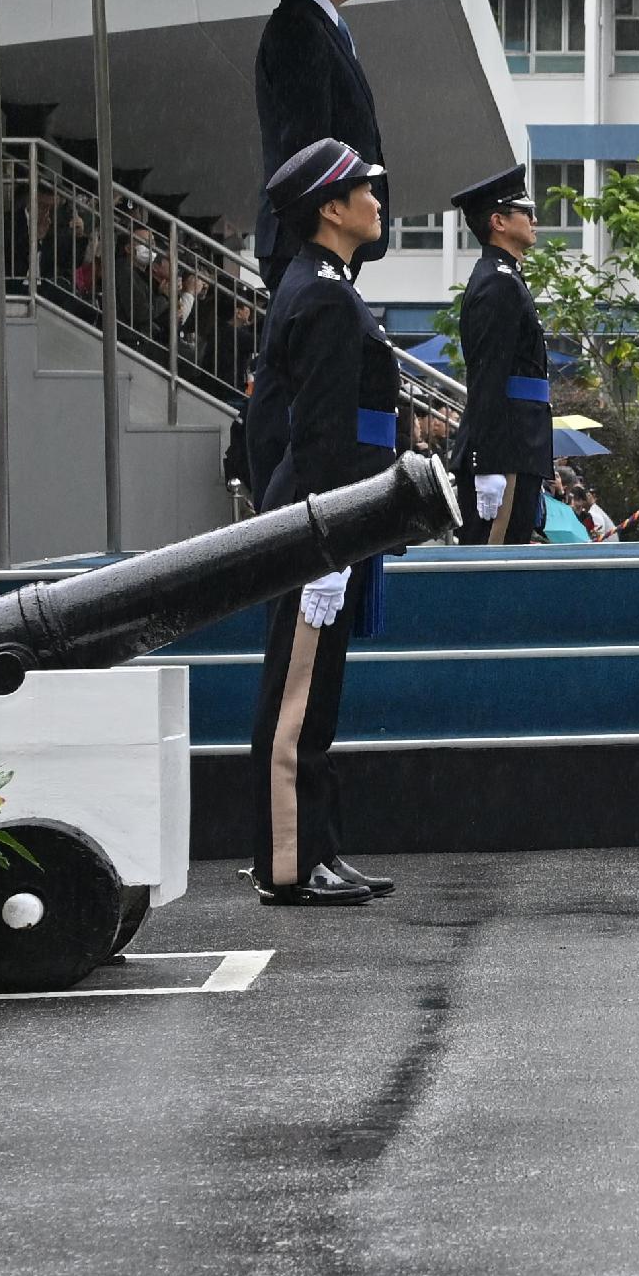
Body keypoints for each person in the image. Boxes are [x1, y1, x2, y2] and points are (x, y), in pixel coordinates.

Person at [245, 140, 402, 906]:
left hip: (335, 515)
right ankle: (287, 861)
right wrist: (324, 540)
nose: (378, 199)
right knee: (296, 699)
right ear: (330, 210)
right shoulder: (321, 293)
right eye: (364, 190)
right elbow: (316, 435)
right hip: (325, 519)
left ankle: (317, 849)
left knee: (320, 696)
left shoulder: (325, 285)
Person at [253, 0, 389, 285]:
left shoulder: (320, 26)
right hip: (308, 242)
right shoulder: (299, 28)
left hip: (322, 238)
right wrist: (324, 232)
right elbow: (307, 148)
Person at [447, 165, 553, 544]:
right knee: (493, 569)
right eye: (525, 211)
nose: (534, 219)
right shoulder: (497, 282)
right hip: (504, 455)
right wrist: (488, 465)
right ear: (499, 222)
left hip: (516, 447)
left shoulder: (506, 277)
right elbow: (488, 375)